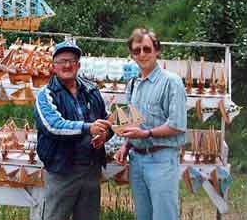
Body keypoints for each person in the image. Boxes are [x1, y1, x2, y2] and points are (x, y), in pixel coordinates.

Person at [34, 39, 113, 220]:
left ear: (78, 65)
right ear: (53, 66)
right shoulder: (46, 95)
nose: (67, 65)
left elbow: (107, 120)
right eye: (62, 61)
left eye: (72, 61)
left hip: (91, 170)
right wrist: (88, 128)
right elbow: (53, 126)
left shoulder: (92, 91)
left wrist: (104, 134)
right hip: (62, 171)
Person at [115, 28, 187, 220]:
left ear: (157, 51)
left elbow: (177, 124)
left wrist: (146, 134)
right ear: (131, 54)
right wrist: (126, 145)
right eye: (136, 51)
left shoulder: (172, 82)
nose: (142, 54)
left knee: (164, 216)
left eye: (147, 49)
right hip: (137, 161)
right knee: (143, 216)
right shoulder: (133, 84)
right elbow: (134, 122)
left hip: (161, 159)